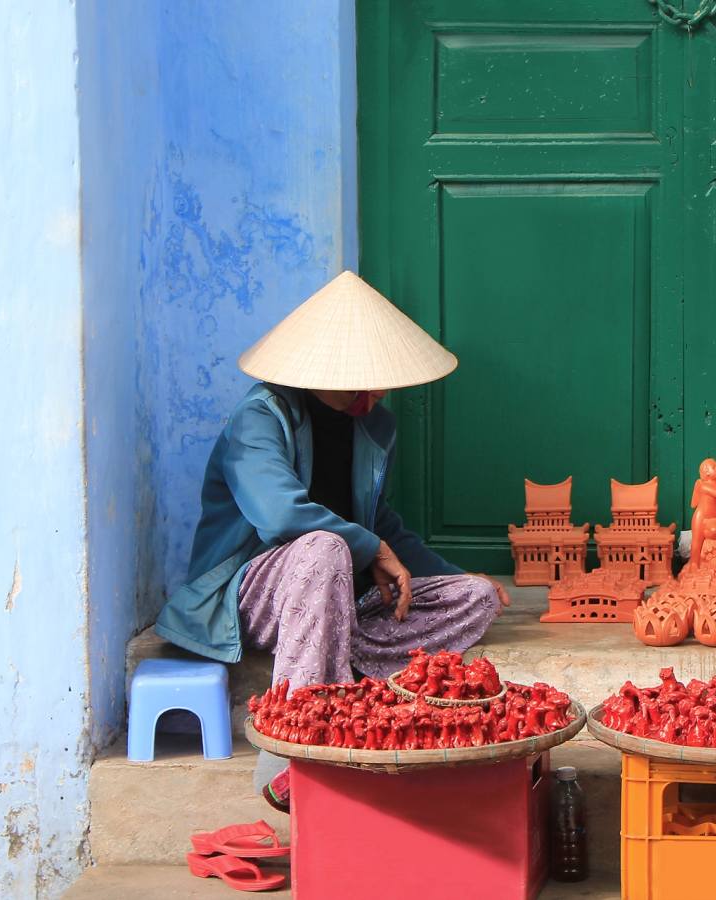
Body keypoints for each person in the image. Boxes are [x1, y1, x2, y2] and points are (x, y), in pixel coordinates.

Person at [153, 271, 509, 810]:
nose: (382, 388)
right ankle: (296, 752)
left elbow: (381, 524)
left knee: (477, 598)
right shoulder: (260, 418)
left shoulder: (376, 427)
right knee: (325, 548)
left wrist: (456, 574)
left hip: (336, 598)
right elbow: (278, 516)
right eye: (370, 375)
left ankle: (342, 670)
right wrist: (368, 549)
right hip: (254, 590)